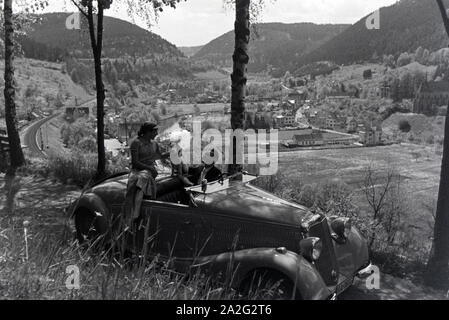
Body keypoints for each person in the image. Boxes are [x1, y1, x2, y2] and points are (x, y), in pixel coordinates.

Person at [124, 122, 169, 221]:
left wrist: (170, 153)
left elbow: (159, 156)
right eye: (155, 131)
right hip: (138, 171)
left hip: (149, 171)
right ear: (148, 132)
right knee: (140, 182)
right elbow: (135, 163)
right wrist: (150, 168)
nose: (156, 134)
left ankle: (135, 214)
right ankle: (134, 214)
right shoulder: (136, 143)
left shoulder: (154, 144)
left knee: (143, 178)